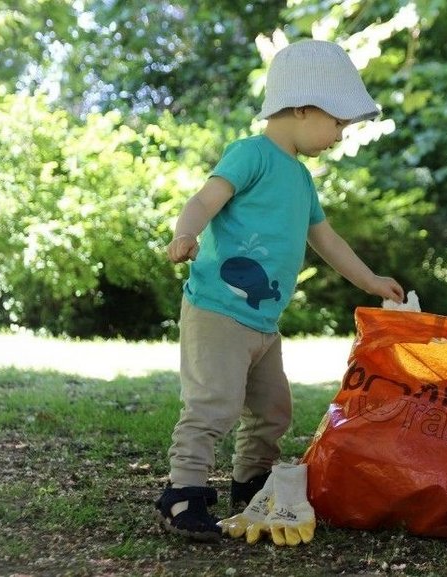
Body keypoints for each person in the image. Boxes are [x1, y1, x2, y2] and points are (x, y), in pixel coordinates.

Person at [154, 39, 405, 542]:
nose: (341, 133)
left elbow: (326, 240)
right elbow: (205, 199)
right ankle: (183, 491)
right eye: (338, 122)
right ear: (302, 107)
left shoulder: (301, 180)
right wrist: (187, 233)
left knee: (273, 410)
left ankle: (250, 482)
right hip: (218, 312)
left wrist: (372, 281)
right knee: (213, 404)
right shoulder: (251, 155)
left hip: (263, 324)